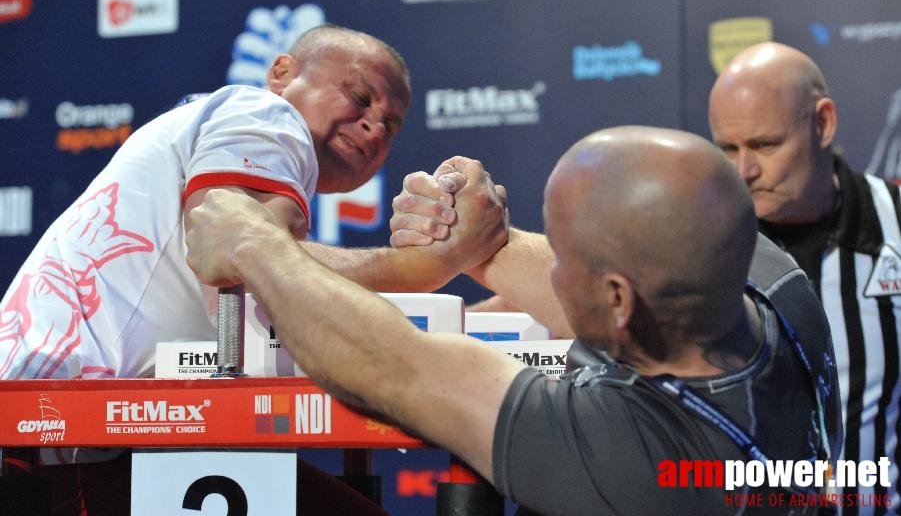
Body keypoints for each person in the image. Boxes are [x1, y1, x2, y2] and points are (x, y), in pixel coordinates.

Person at [186, 126, 841, 515]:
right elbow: (639, 268)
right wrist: (484, 245)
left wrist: (252, 242)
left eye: (563, 252)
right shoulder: (775, 285)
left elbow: (390, 365)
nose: (549, 267)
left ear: (617, 298)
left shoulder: (627, 458)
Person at [0, 23, 439, 516]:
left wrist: (481, 320)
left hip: (76, 429)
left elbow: (272, 300)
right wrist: (416, 267)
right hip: (67, 433)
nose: (374, 127)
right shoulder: (266, 115)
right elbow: (233, 254)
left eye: (391, 125)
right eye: (359, 96)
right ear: (281, 73)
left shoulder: (238, 147)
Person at [708, 41, 901, 512]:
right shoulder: (698, 243)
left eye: (765, 145)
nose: (744, 170)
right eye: (727, 149)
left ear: (823, 123)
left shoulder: (894, 224)